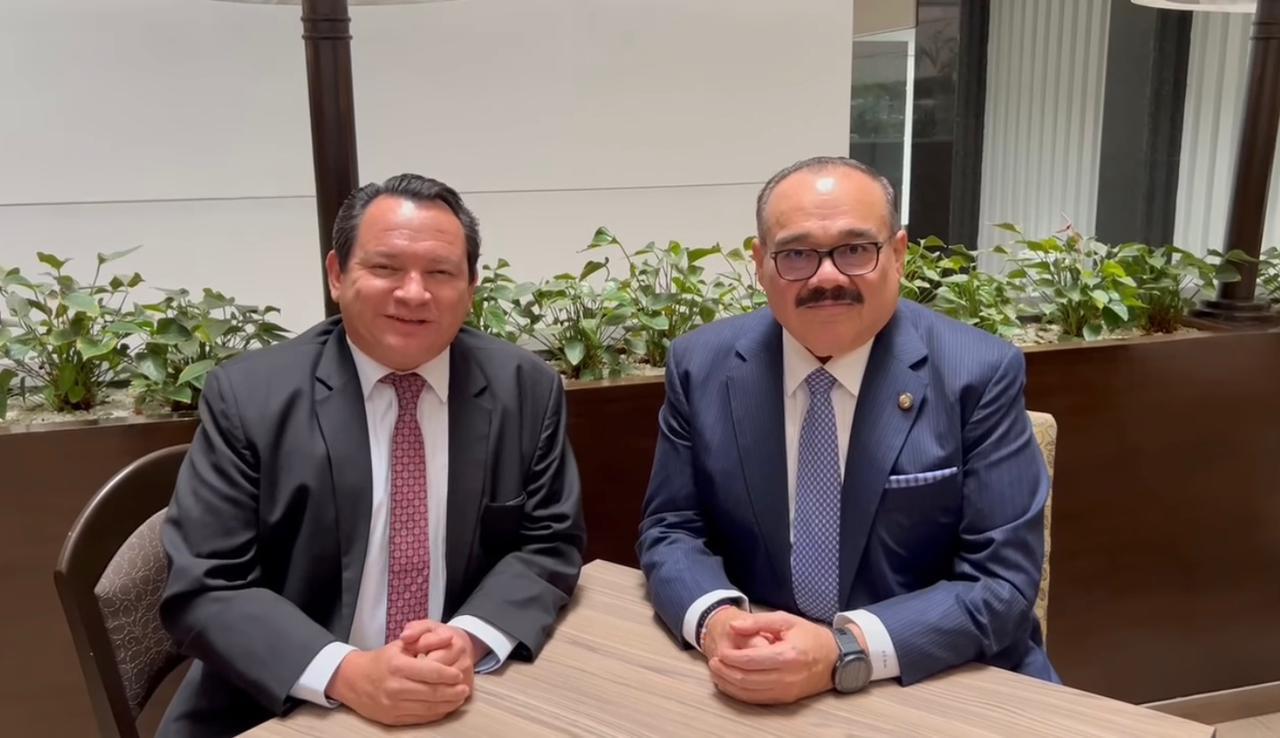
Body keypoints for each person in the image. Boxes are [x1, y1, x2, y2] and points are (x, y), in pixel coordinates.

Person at [159, 174, 585, 737]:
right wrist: (347, 673)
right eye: (386, 268)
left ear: (471, 287)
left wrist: (470, 637)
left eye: (440, 273)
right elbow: (207, 586)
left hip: (456, 702)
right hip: (278, 705)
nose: (414, 293)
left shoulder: (524, 389)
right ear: (337, 275)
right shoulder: (250, 397)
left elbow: (549, 543)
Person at [637, 156, 1057, 706]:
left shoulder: (978, 372)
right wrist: (719, 621)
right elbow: (672, 529)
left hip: (946, 675)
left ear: (898, 255)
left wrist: (844, 650)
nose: (827, 277)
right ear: (761, 264)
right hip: (765, 677)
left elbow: (1001, 585)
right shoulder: (701, 366)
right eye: (796, 255)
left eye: (856, 249)